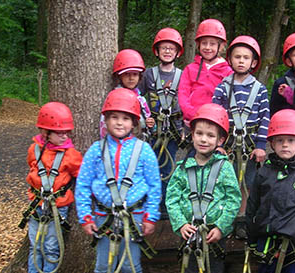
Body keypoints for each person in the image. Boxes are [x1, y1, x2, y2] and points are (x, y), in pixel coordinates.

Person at [76, 88, 161, 273]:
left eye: (125, 118)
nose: (119, 123)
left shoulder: (144, 150)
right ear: (105, 121)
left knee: (130, 265)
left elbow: (154, 186)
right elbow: (82, 184)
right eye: (114, 117)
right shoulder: (96, 150)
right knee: (104, 265)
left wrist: (151, 216)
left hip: (135, 216)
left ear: (134, 123)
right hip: (103, 217)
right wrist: (85, 216)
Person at [165, 103, 241, 273]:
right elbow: (172, 198)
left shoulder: (224, 167)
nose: (204, 139)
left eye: (210, 135)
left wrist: (221, 227)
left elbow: (233, 199)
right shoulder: (183, 168)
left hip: (214, 234)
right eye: (199, 133)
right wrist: (181, 224)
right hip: (189, 234)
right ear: (192, 135)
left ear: (220, 140)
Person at [246, 109, 295, 273]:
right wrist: (251, 239)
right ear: (272, 144)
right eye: (280, 140)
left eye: (290, 140)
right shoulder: (264, 172)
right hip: (265, 242)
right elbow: (253, 206)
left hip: (292, 245)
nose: (285, 145)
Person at [212, 35, 270, 239]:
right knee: (226, 184)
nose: (241, 61)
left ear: (253, 62)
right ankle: (224, 222)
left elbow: (265, 118)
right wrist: (216, 144)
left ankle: (242, 221)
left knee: (247, 185)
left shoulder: (260, 90)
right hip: (227, 147)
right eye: (237, 57)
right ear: (230, 60)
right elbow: (215, 117)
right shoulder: (222, 88)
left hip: (250, 148)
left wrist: (261, 145)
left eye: (246, 57)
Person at [19, 102, 83, 273]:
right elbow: (31, 166)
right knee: (35, 247)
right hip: (36, 206)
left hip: (57, 208)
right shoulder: (34, 150)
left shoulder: (71, 155)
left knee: (51, 248)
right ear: (45, 133)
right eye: (59, 133)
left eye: (66, 133)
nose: (64, 137)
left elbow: (81, 174)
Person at [137, 27, 184, 215]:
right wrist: (143, 119)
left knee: (168, 166)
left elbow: (184, 102)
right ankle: (150, 200)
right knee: (150, 164)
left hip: (172, 130)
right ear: (157, 51)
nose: (167, 51)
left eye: (171, 48)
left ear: (177, 52)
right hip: (153, 129)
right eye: (163, 48)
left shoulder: (181, 75)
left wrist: (183, 129)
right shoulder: (148, 74)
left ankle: (164, 201)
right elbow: (137, 97)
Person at [178, 18, 233, 128]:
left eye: (212, 44)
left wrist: (218, 118)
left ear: (221, 46)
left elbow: (229, 100)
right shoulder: (190, 69)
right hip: (192, 121)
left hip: (216, 122)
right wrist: (192, 115)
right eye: (204, 43)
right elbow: (183, 95)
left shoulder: (228, 72)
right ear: (198, 45)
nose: (207, 47)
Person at [100, 49, 155, 139]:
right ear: (119, 76)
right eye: (126, 74)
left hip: (138, 144)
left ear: (139, 76)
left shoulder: (141, 100)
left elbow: (149, 123)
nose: (131, 78)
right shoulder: (114, 98)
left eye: (135, 74)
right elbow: (104, 125)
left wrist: (151, 124)